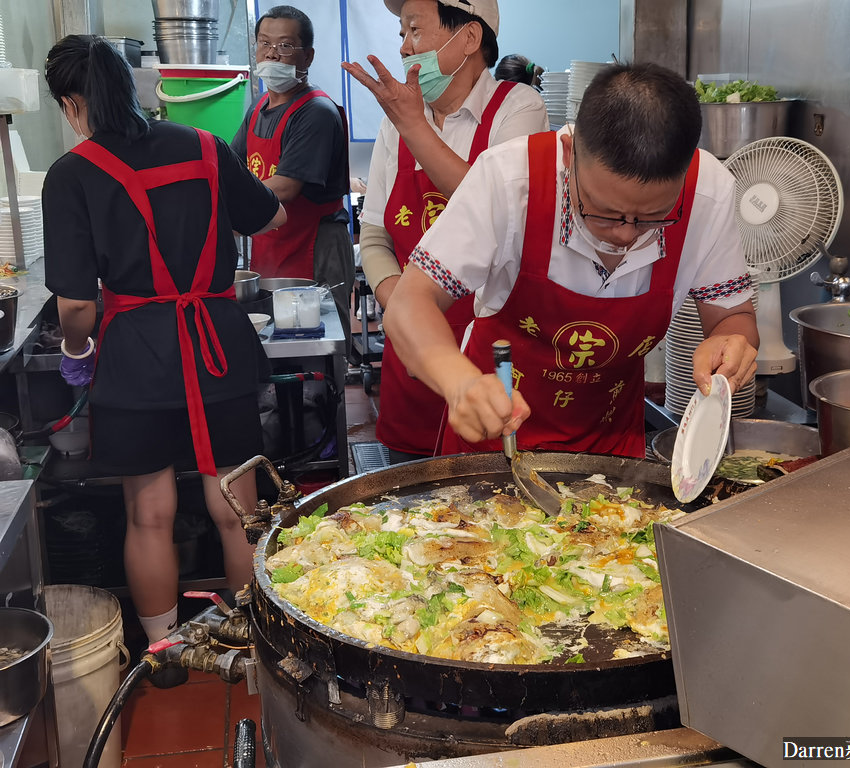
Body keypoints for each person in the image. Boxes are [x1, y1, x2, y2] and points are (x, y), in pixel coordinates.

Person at [42, 35, 286, 646]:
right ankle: (252, 645)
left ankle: (164, 650)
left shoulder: (71, 175)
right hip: (218, 347)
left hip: (135, 357)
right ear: (133, 88)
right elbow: (269, 216)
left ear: (72, 105)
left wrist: (77, 353)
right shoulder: (203, 146)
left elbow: (75, 305)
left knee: (149, 515)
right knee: (237, 508)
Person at [382, 62, 759, 457]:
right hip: (494, 445)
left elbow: (733, 319)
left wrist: (730, 343)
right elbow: (410, 302)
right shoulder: (509, 179)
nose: (626, 235)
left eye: (653, 218)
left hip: (611, 457)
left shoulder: (709, 193)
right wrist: (460, 383)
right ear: (569, 154)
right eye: (603, 212)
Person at [342, 0, 549, 463]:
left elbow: (495, 212)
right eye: (400, 34)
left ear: (469, 39)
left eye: (414, 30)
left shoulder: (517, 108)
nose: (403, 48)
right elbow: (375, 234)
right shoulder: (393, 126)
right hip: (411, 361)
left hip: (492, 360)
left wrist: (413, 123)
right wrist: (408, 318)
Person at [230, 5, 354, 356]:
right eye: (264, 43)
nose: (271, 53)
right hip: (272, 243)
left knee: (317, 347)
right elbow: (233, 168)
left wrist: (229, 214)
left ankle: (325, 408)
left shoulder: (315, 111)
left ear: (308, 56)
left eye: (285, 45)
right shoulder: (258, 107)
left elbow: (285, 187)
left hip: (315, 245)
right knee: (275, 342)